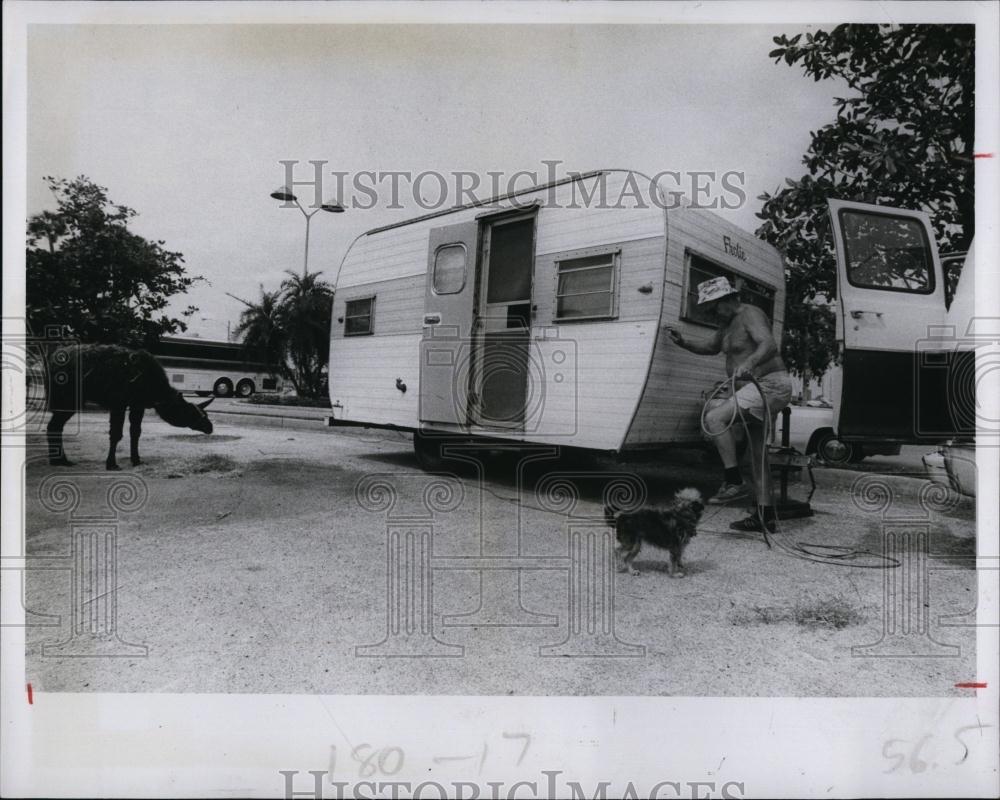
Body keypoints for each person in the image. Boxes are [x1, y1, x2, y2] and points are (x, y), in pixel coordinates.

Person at [665, 276, 792, 533]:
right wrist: (684, 342)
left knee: (714, 418)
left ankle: (733, 481)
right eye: (709, 308)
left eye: (715, 306)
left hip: (769, 385)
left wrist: (750, 363)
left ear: (729, 299)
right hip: (753, 390)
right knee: (757, 457)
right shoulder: (727, 326)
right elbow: (711, 347)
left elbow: (768, 344)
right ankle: (764, 517)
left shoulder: (749, 313)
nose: (713, 312)